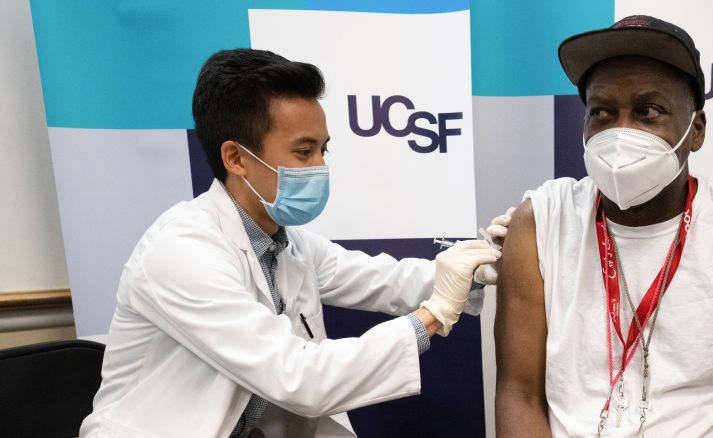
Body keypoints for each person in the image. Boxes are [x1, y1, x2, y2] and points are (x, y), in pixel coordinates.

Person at [80, 48, 508, 438]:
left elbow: (387, 280)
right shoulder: (181, 252)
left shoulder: (287, 244)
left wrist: (482, 260)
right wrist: (435, 314)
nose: (321, 166)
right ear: (237, 158)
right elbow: (299, 378)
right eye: (304, 152)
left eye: (324, 149)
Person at [494, 15, 713, 438]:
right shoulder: (540, 221)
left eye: (649, 112)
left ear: (696, 130)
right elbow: (518, 394)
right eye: (602, 112)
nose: (621, 132)